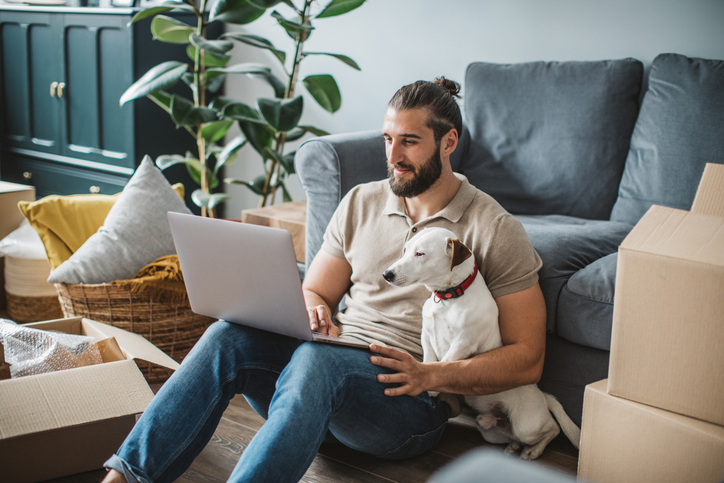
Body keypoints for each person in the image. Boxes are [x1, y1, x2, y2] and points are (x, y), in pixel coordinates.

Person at [102, 77, 546, 483]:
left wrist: (431, 375)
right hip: (319, 385)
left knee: (318, 363)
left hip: (410, 405)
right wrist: (313, 307)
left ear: (448, 141)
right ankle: (123, 478)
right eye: (388, 139)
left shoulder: (493, 228)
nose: (393, 157)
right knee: (228, 336)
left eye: (409, 142)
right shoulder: (361, 202)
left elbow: (528, 358)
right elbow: (315, 289)